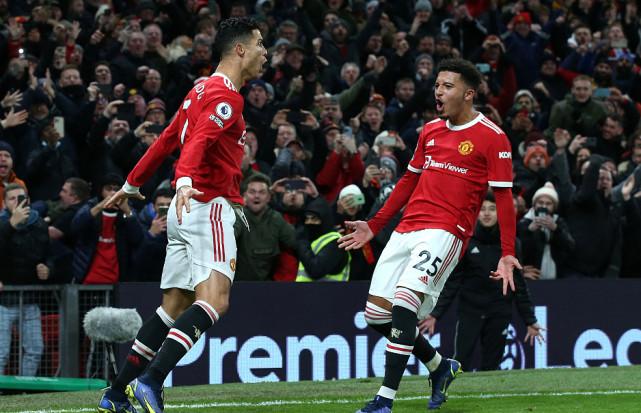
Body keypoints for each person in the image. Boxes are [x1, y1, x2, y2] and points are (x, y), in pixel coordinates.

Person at [97, 17, 267, 413]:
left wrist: (132, 184)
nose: (265, 53)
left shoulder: (199, 89)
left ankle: (115, 394)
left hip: (183, 212)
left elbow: (168, 138)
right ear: (240, 48)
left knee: (173, 307)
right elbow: (199, 141)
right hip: (207, 207)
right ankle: (150, 381)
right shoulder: (228, 97)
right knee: (215, 302)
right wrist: (185, 180)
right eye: (260, 44)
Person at [338, 58, 521, 412]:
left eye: (447, 86)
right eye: (437, 85)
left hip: (446, 232)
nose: (438, 91)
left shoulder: (493, 137)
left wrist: (507, 251)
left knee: (405, 304)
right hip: (407, 228)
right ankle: (439, 367)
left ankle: (384, 400)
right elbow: (409, 180)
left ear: (468, 94)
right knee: (376, 316)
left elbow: (503, 197)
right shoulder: (430, 130)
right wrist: (374, 225)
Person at [420, 193, 544, 371]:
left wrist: (529, 320)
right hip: (470, 310)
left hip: (499, 311)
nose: (486, 213)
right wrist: (435, 314)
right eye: (483, 209)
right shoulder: (466, 241)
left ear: (499, 213)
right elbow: (453, 282)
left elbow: (518, 284)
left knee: (492, 366)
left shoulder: (510, 243)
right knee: (461, 361)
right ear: (477, 213)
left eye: (492, 209)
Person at [0, 184, 50, 376]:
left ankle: (25, 389)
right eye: (11, 199)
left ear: (27, 200)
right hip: (3, 301)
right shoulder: (2, 224)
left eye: (20, 198)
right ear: (4, 203)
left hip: (30, 298)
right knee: (1, 353)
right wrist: (10, 225)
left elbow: (49, 255)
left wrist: (48, 268)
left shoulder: (39, 224)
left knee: (35, 350)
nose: (16, 202)